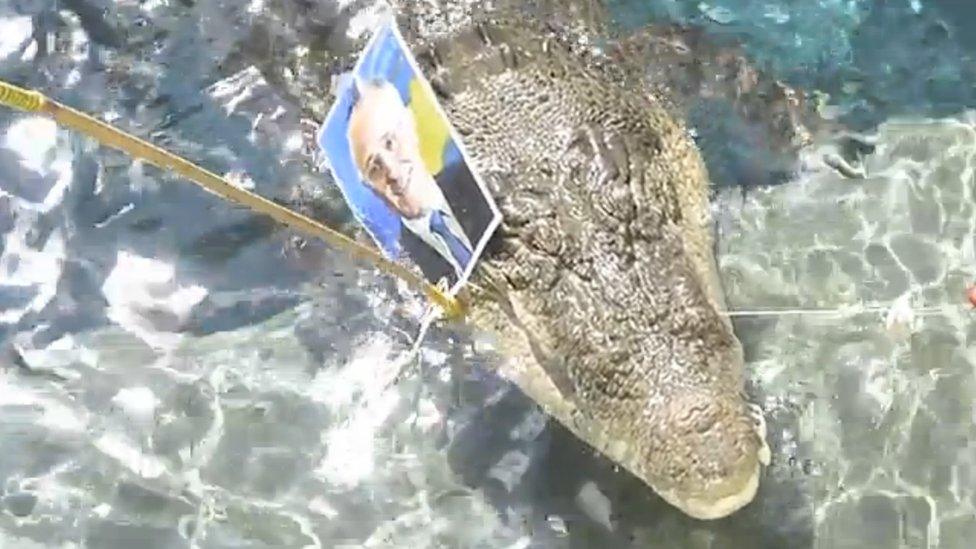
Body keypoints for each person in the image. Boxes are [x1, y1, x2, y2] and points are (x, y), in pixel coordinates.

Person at [346, 78, 484, 286]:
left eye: (390, 143)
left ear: (410, 126)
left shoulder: (476, 177)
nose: (391, 172)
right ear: (370, 188)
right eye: (375, 169)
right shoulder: (403, 273)